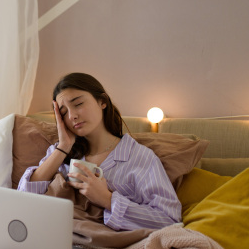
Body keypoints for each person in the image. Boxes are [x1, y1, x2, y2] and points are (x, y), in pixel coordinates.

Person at [18, 73, 181, 231]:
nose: (72, 115)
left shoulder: (140, 157)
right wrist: (63, 147)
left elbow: (169, 219)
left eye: (78, 104)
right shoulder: (59, 153)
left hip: (111, 248)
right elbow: (23, 201)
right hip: (57, 242)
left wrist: (108, 199)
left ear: (102, 101)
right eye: (63, 112)